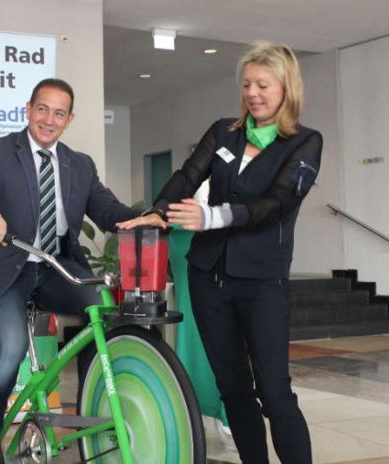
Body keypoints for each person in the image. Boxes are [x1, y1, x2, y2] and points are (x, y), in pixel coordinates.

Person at [119, 40, 321, 463]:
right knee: (233, 388)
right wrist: (158, 212)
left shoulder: (304, 143)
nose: (253, 93)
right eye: (247, 84)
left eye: (263, 84)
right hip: (208, 276)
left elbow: (278, 203)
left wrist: (212, 217)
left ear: (286, 88)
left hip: (263, 280)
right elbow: (188, 174)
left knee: (274, 391)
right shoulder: (223, 131)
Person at [0, 78, 141, 464]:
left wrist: (144, 217)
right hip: (5, 269)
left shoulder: (80, 165)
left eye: (59, 113)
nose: (49, 120)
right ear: (28, 109)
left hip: (55, 268)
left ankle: (96, 405)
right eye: (43, 109)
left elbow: (108, 212)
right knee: (10, 351)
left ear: (69, 119)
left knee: (105, 316)